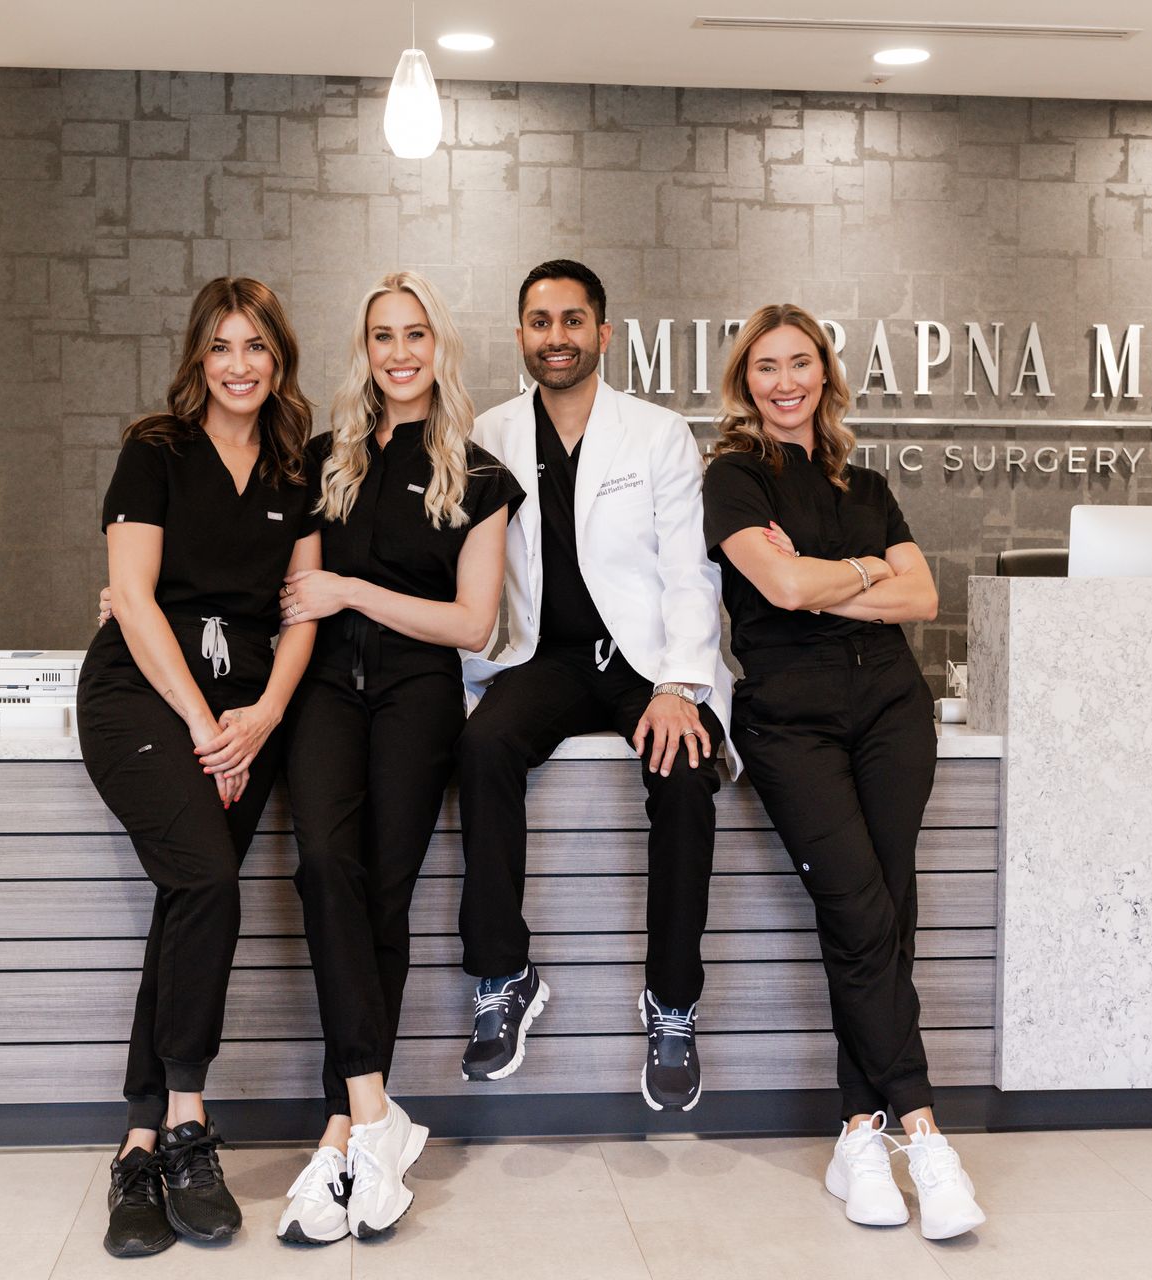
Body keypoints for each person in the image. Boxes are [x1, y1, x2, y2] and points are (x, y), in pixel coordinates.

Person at [701, 303, 985, 1240]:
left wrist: (837, 572)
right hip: (794, 722)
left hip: (893, 713)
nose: (785, 382)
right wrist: (866, 579)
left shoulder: (866, 483)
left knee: (887, 908)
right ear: (747, 382)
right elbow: (777, 590)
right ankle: (923, 1131)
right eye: (767, 368)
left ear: (825, 374)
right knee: (861, 910)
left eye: (802, 364)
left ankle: (857, 1132)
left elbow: (926, 593)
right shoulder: (733, 479)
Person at [272, 272, 520, 1242]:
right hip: (328, 692)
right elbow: (295, 594)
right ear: (364, 350)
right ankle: (374, 1111)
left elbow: (472, 623)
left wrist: (355, 592)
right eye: (382, 335)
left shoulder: (481, 473)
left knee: (382, 894)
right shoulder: (322, 459)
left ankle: (343, 1133)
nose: (400, 351)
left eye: (415, 334)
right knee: (325, 866)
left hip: (420, 696)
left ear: (439, 346)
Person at [76, 277, 320, 1258]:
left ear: (279, 358)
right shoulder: (156, 449)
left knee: (190, 897)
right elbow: (131, 599)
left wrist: (257, 719)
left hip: (248, 711)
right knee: (208, 880)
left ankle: (139, 1147)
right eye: (222, 346)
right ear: (198, 357)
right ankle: (186, 1123)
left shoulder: (297, 463)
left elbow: (302, 610)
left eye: (256, 345)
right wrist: (203, 725)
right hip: (143, 698)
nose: (239, 364)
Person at [456, 259, 734, 1113]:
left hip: (643, 661)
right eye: (540, 322)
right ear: (520, 337)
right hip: (541, 657)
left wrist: (681, 685)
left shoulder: (656, 435)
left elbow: (692, 571)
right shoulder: (487, 434)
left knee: (683, 775)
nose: (557, 338)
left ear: (604, 334)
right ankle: (504, 975)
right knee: (483, 745)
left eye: (573, 321)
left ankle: (673, 1003)